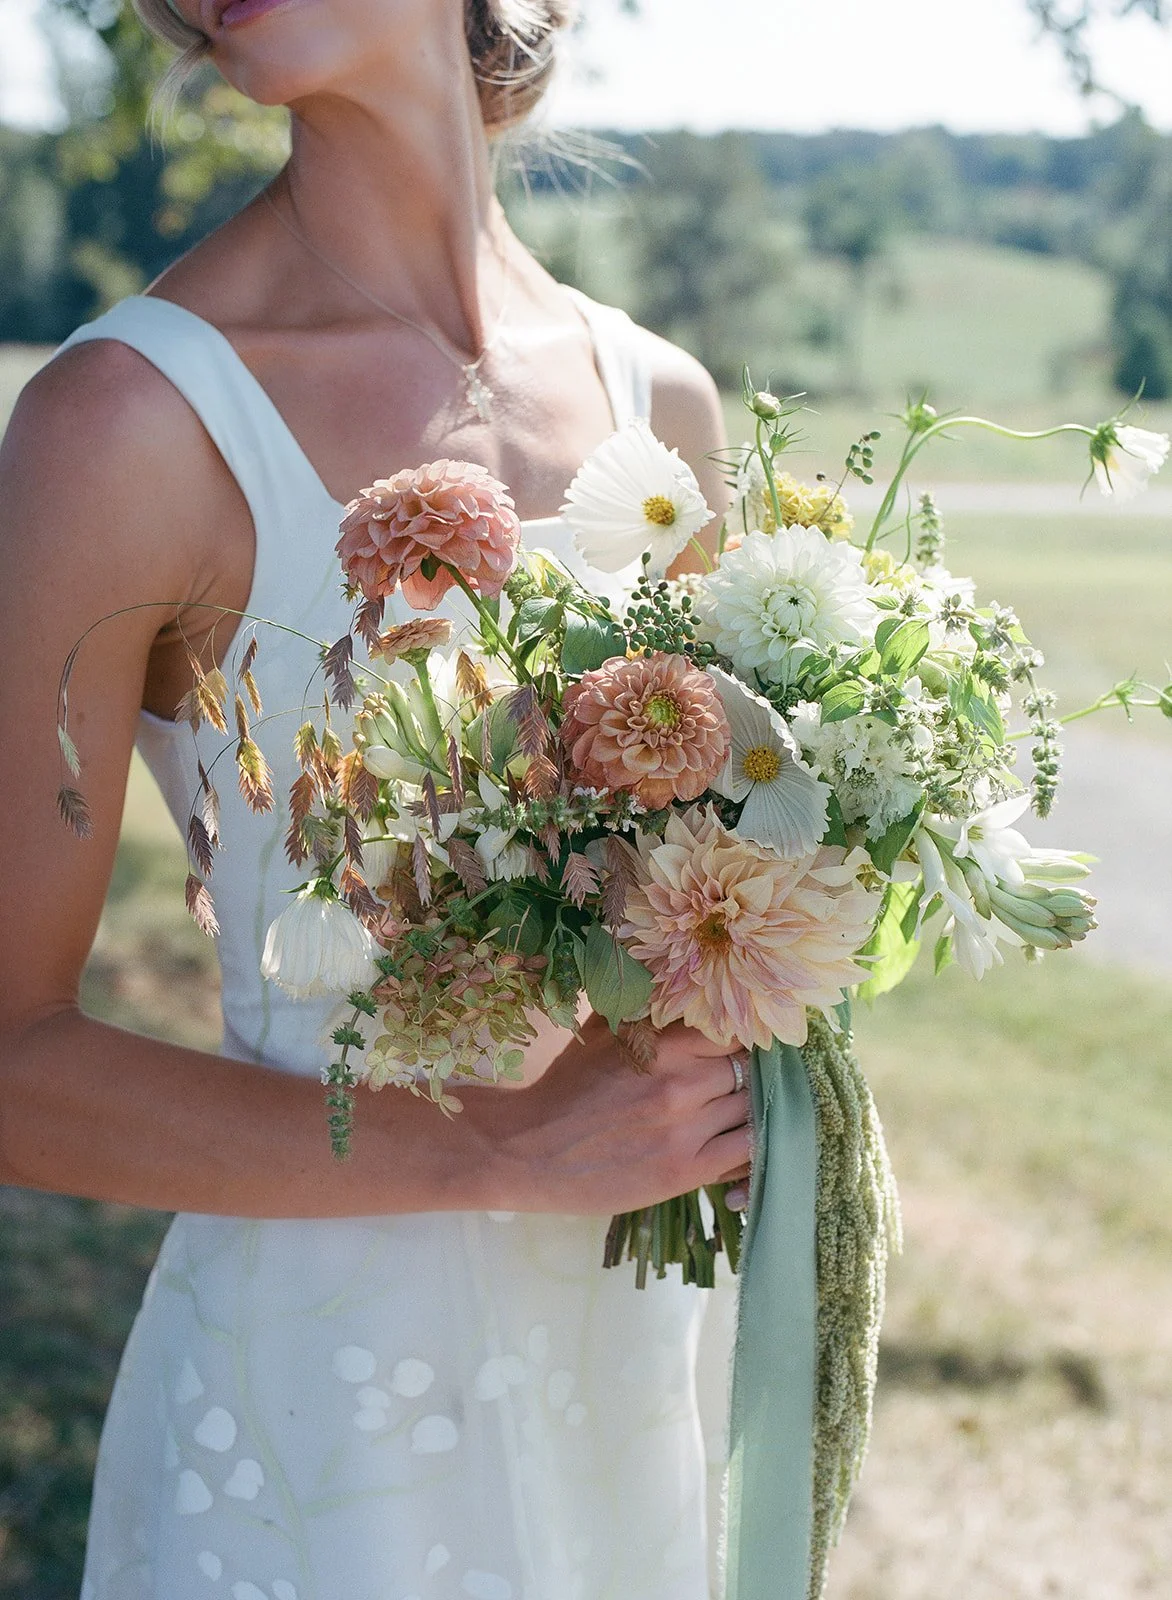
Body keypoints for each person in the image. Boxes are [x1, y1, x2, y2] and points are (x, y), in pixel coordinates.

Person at [0, 3, 752, 1595]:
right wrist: (496, 1152)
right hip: (324, 1424)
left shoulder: (661, 411)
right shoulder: (122, 428)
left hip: (643, 1363)